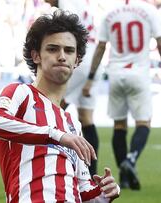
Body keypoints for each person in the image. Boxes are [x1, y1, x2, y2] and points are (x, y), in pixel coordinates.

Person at [0, 10, 120, 202]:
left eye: (69, 51)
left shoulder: (73, 125)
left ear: (77, 61)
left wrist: (104, 193)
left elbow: (83, 191)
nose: (62, 56)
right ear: (36, 55)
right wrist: (56, 135)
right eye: (53, 49)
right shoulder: (21, 93)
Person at [82, 0, 161, 190]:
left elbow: (100, 47)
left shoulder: (110, 13)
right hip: (139, 74)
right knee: (143, 122)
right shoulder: (149, 11)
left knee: (119, 125)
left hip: (116, 73)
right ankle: (130, 161)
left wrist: (91, 76)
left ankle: (123, 177)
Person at [44, 0, 100, 177]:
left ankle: (48, 162)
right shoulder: (82, 3)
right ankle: (90, 174)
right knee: (86, 117)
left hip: (77, 61)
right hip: (94, 63)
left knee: (52, 109)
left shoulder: (66, 4)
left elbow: (67, 32)